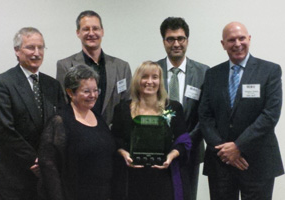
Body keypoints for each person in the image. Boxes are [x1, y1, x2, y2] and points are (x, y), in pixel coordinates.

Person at [199, 22, 284, 200]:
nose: (237, 44)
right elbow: (205, 116)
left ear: (249, 39)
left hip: (258, 161)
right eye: (231, 40)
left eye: (241, 38)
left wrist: (238, 146)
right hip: (220, 162)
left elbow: (270, 115)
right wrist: (225, 152)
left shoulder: (270, 71)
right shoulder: (212, 74)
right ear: (223, 44)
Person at [0, 27, 65, 200]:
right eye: (31, 47)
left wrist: (48, 161)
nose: (37, 53)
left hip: (47, 175)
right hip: (14, 175)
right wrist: (35, 160)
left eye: (41, 47)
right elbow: (5, 130)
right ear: (17, 50)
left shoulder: (52, 85)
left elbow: (60, 125)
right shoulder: (2, 83)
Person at [111, 61, 191, 200]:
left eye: (154, 77)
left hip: (164, 177)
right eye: (145, 77)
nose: (150, 81)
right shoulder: (122, 109)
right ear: (137, 80)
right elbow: (114, 140)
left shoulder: (173, 107)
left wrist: (171, 156)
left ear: (160, 81)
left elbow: (183, 141)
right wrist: (123, 153)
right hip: (131, 178)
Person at [38, 65, 116, 200]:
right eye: (86, 91)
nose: (93, 96)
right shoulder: (60, 121)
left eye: (96, 90)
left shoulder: (99, 118)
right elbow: (49, 167)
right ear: (70, 92)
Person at [157, 17, 209, 200]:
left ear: (187, 39)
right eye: (171, 39)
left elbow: (206, 116)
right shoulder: (153, 71)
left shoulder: (204, 72)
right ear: (163, 41)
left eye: (181, 38)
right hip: (158, 149)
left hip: (191, 149)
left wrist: (185, 141)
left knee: (187, 195)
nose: (176, 43)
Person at [56, 10, 132, 125]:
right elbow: (64, 104)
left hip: (114, 135)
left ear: (102, 32)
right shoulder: (65, 66)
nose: (91, 33)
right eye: (86, 29)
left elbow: (127, 104)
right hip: (80, 134)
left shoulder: (122, 67)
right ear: (78, 33)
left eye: (95, 28)